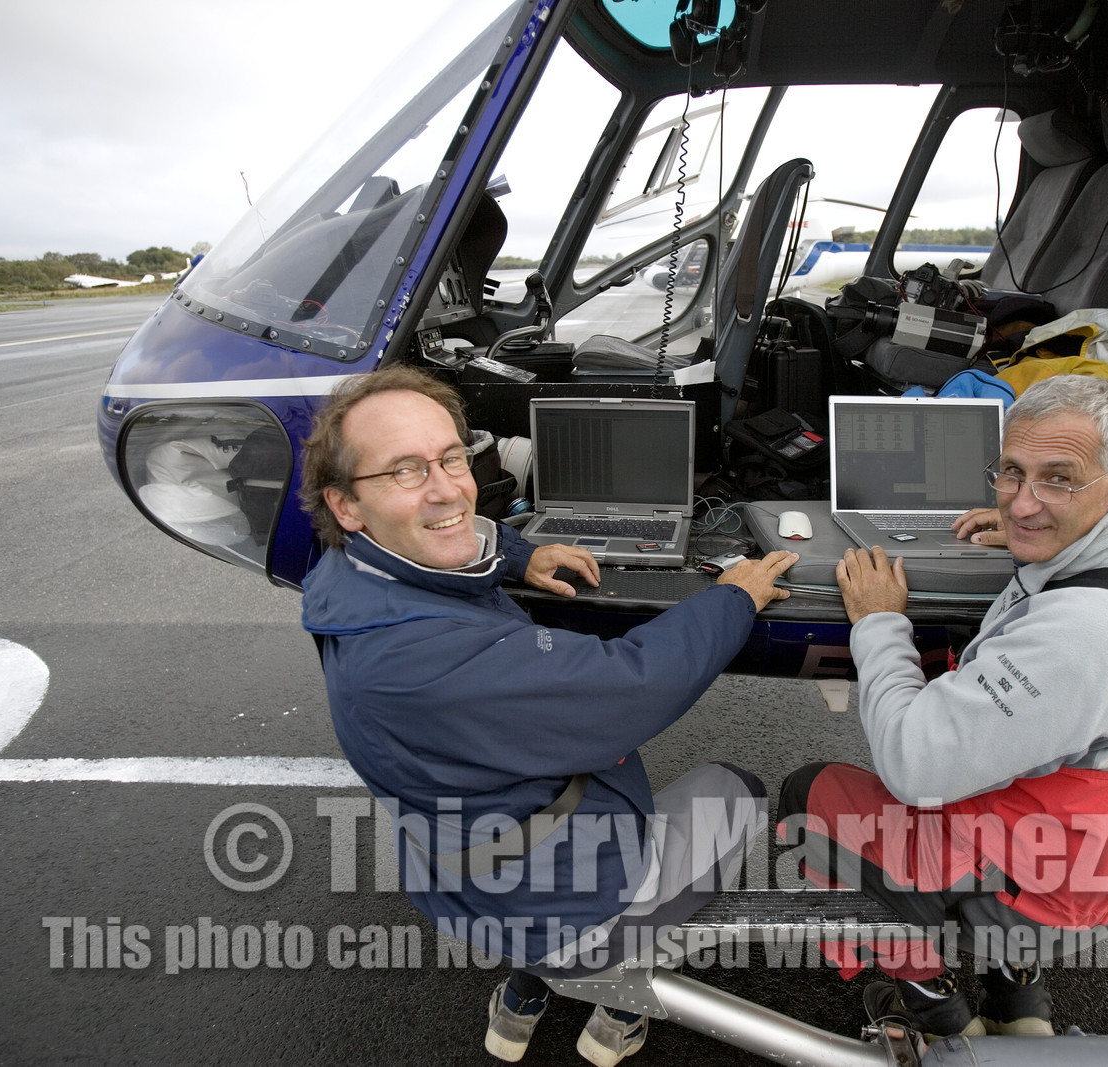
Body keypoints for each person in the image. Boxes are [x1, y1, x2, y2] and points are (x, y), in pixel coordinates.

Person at [298, 364, 797, 1066]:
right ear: (347, 503)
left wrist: (521, 552)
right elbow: (634, 683)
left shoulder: (343, 572)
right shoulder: (427, 662)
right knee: (737, 787)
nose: (447, 486)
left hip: (461, 876)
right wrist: (734, 597)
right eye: (406, 470)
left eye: (451, 457)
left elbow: (448, 536)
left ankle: (524, 994)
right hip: (564, 898)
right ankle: (620, 999)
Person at [777, 375, 1108, 1039]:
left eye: (1058, 478)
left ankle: (929, 1000)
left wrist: (879, 623)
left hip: (1048, 888)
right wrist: (1051, 517)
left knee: (811, 795)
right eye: (1011, 474)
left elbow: (914, 762)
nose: (1020, 504)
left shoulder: (1087, 634)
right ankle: (1015, 989)